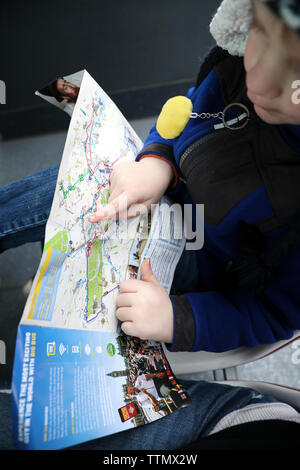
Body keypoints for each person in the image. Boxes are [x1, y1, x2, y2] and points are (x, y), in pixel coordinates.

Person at [87, 0, 300, 354]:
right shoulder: (230, 70)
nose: (258, 82)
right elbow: (190, 116)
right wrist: (157, 162)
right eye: (260, 33)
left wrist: (178, 318)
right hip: (169, 201)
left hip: (205, 275)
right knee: (88, 189)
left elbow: (272, 314)